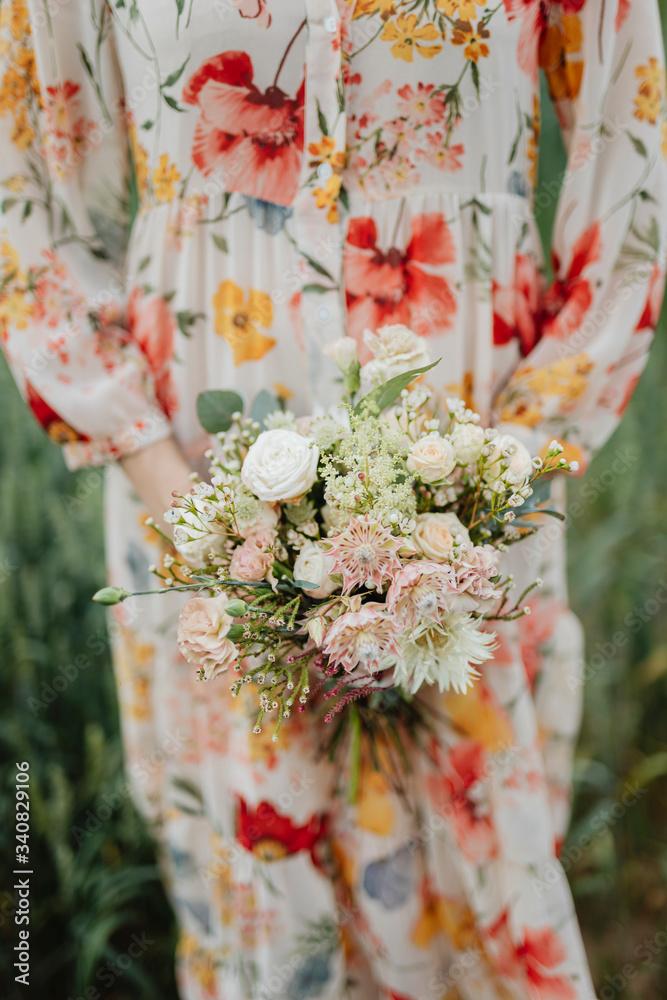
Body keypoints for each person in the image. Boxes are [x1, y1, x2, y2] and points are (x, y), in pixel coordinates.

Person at [1, 1, 665, 997]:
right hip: (197, 504)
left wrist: (481, 488)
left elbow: (629, 197)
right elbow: (39, 212)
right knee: (256, 907)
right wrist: (196, 515)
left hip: (474, 510)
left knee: (471, 895)